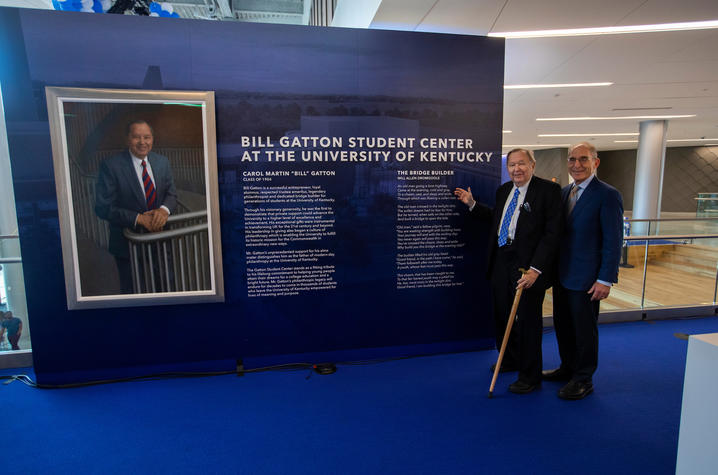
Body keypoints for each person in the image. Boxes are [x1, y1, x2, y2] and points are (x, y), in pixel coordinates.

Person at [455, 148, 562, 394]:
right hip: (501, 261)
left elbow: (552, 234)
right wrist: (472, 205)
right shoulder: (504, 191)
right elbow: (498, 220)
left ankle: (530, 376)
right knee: (502, 315)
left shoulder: (548, 191)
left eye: (522, 164)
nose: (517, 169)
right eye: (512, 165)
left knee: (527, 321)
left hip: (528, 267)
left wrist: (536, 269)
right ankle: (511, 358)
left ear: (532, 165)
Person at [543, 142, 623, 400]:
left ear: (595, 162)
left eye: (583, 159)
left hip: (588, 279)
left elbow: (613, 239)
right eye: (572, 159)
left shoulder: (608, 194)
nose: (577, 165)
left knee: (584, 330)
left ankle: (583, 378)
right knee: (563, 325)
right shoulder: (565, 192)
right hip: (563, 275)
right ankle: (568, 368)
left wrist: (605, 278)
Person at [95, 120, 178, 293]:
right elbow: (103, 207)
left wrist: (164, 210)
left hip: (160, 237)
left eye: (147, 137)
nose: (142, 142)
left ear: (152, 139)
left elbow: (171, 194)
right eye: (136, 137)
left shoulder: (162, 162)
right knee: (132, 289)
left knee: (166, 286)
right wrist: (138, 219)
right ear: (127, 139)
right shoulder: (111, 166)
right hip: (127, 243)